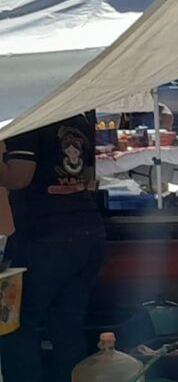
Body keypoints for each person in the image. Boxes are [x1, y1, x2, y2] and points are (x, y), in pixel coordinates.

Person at [0, 112, 107, 382]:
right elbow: (91, 178)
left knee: (15, 325)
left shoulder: (28, 120)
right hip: (88, 232)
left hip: (45, 235)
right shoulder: (78, 119)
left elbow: (19, 177)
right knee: (67, 327)